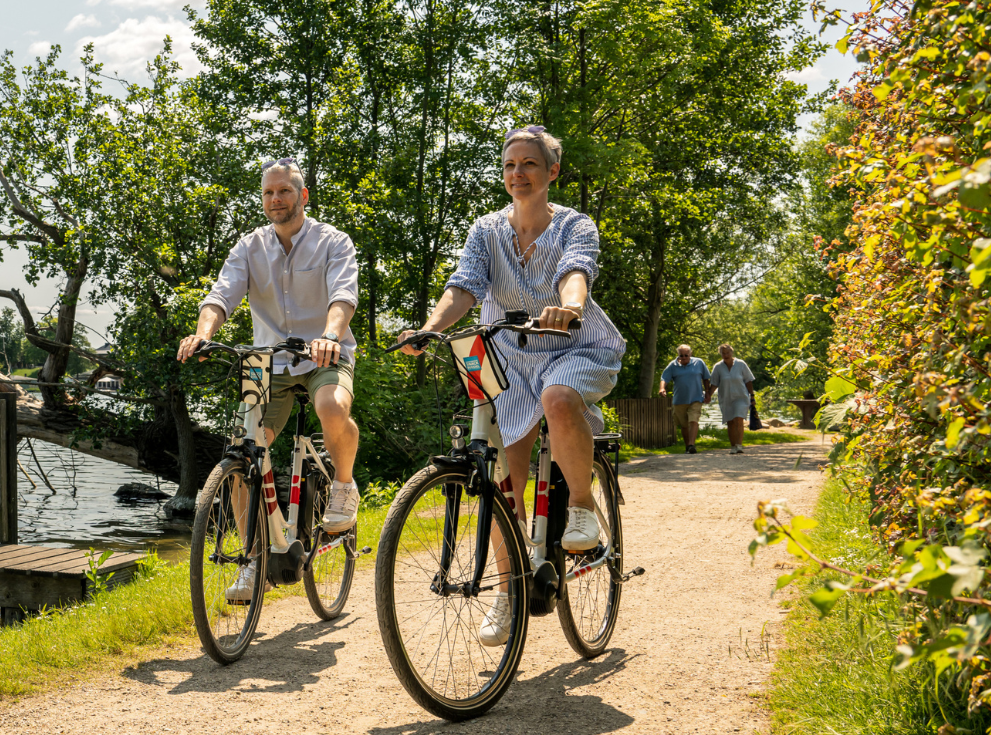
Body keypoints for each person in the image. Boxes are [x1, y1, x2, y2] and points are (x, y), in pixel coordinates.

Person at [394, 126, 627, 647]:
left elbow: (576, 273)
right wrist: (431, 328)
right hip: (505, 356)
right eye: (509, 165)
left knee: (558, 397)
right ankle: (509, 590)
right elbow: (465, 286)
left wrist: (568, 307)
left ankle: (584, 510)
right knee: (501, 480)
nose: (517, 174)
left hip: (575, 347)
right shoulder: (485, 231)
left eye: (529, 165)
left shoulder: (575, 225)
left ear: (552, 173)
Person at [177, 157, 363, 602]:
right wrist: (203, 334)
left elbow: (343, 296)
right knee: (243, 456)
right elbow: (221, 295)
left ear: (303, 195)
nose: (275, 199)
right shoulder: (249, 246)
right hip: (266, 362)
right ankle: (254, 560)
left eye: (284, 191)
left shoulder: (332, 242)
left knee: (331, 406)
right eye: (268, 193)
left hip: (324, 353)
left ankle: (343, 484)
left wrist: (329, 335)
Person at [660, 344, 711, 454]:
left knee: (693, 420)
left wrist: (707, 393)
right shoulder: (673, 365)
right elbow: (664, 377)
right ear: (678, 355)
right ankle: (687, 445)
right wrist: (662, 388)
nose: (683, 358)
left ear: (690, 354)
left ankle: (692, 444)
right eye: (681, 355)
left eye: (686, 355)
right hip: (680, 400)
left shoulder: (699, 363)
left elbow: (706, 378)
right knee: (684, 425)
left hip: (696, 398)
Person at [707, 344, 757, 454]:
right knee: (730, 422)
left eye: (727, 353)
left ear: (732, 352)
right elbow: (714, 383)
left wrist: (752, 396)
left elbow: (748, 381)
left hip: (741, 396)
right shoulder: (718, 367)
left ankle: (739, 445)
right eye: (723, 353)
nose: (726, 355)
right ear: (720, 354)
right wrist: (708, 395)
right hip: (725, 398)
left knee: (738, 419)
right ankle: (733, 446)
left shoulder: (741, 364)